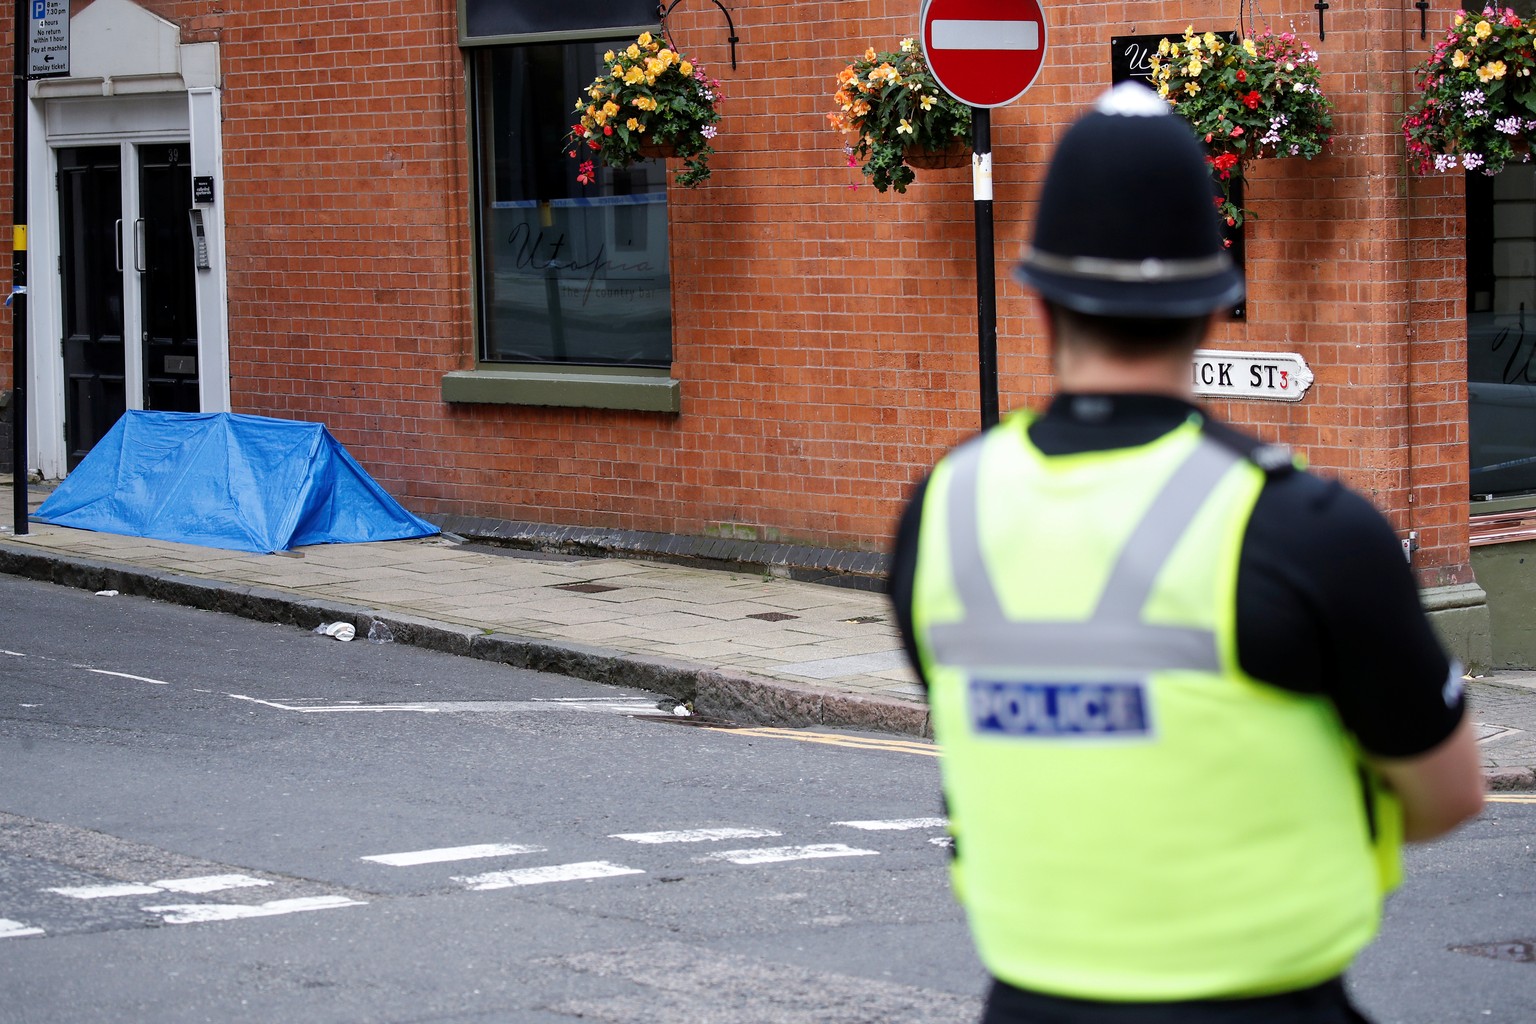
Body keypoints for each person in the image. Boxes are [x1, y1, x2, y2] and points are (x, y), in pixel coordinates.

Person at [887, 81, 1485, 1024]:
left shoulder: (943, 512)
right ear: (1213, 308)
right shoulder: (1309, 530)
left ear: (1040, 305)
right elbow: (1447, 796)